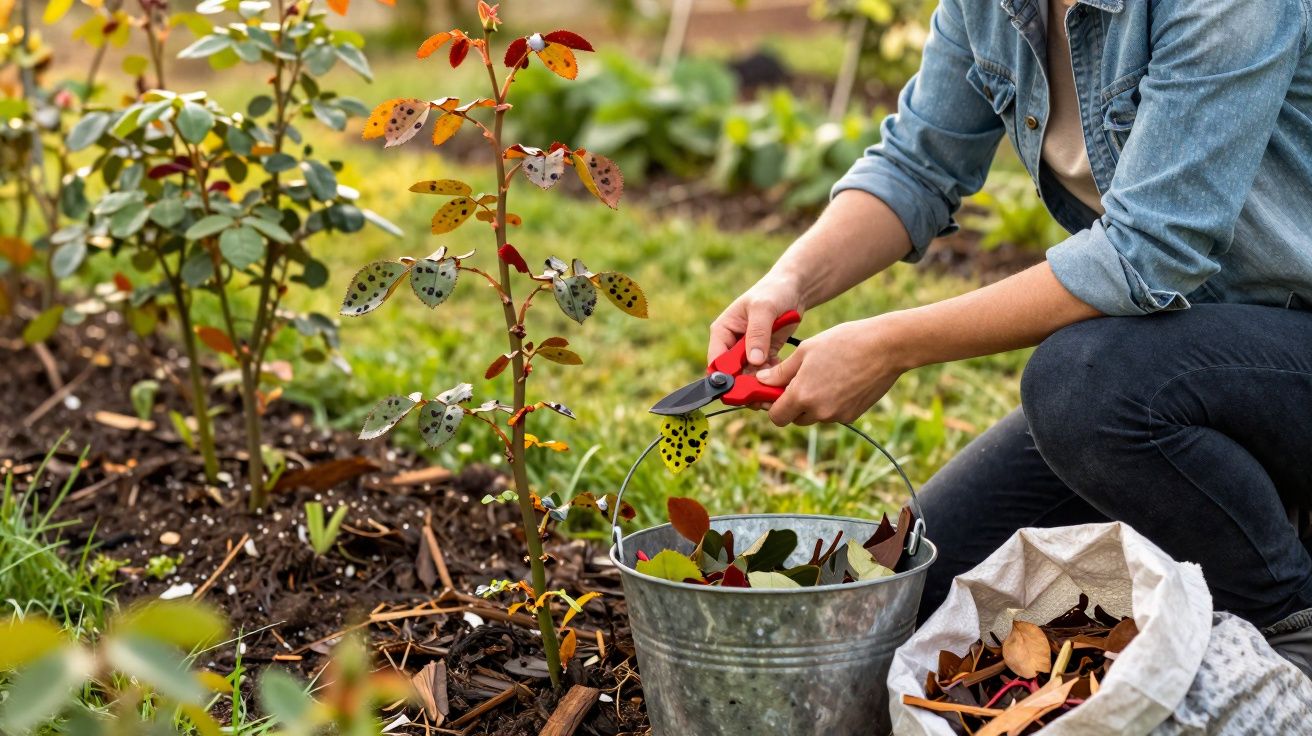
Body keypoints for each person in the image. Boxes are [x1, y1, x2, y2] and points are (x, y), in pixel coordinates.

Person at [708, 0, 1312, 677]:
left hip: (1284, 350)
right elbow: (917, 164)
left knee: (1082, 384)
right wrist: (788, 283)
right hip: (1179, 363)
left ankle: (1290, 617)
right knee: (907, 596)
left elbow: (1150, 253)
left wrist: (889, 345)